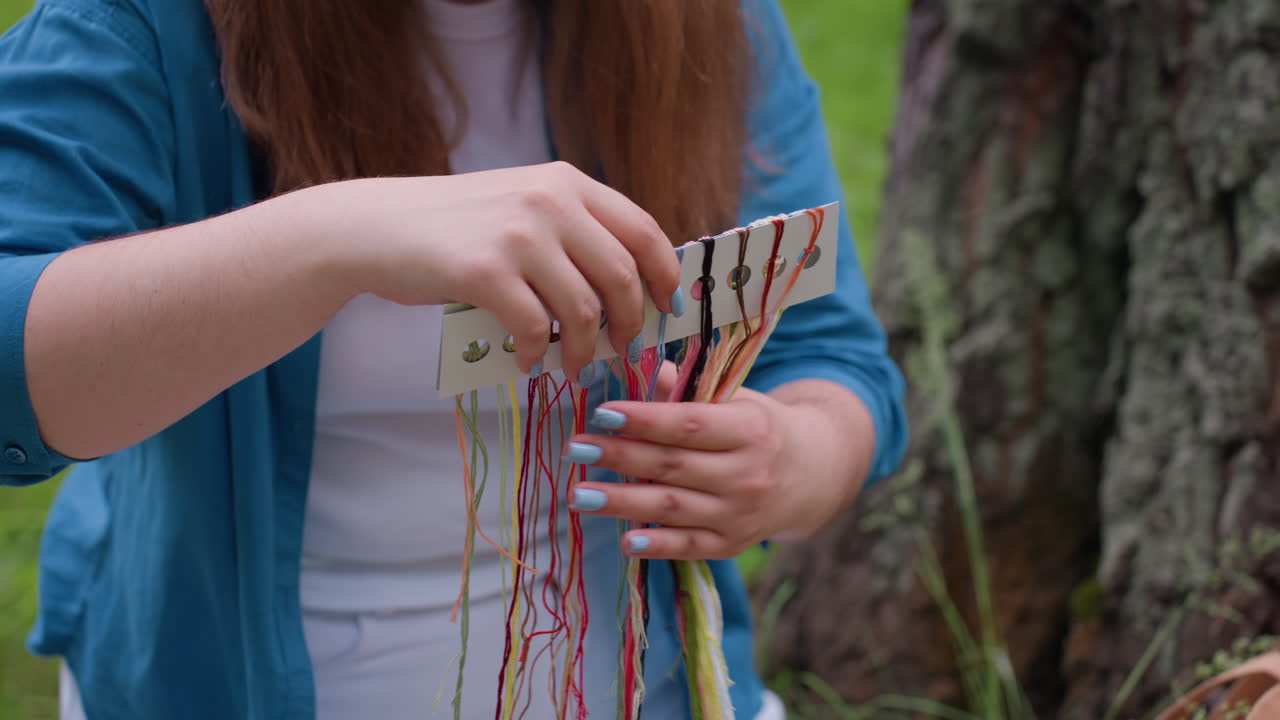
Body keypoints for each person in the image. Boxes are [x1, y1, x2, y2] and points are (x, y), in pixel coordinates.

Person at [0, 0, 908, 717]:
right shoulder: (150, 23)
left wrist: (794, 460)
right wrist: (333, 238)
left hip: (653, 692)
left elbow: (837, 361)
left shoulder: (713, 22)